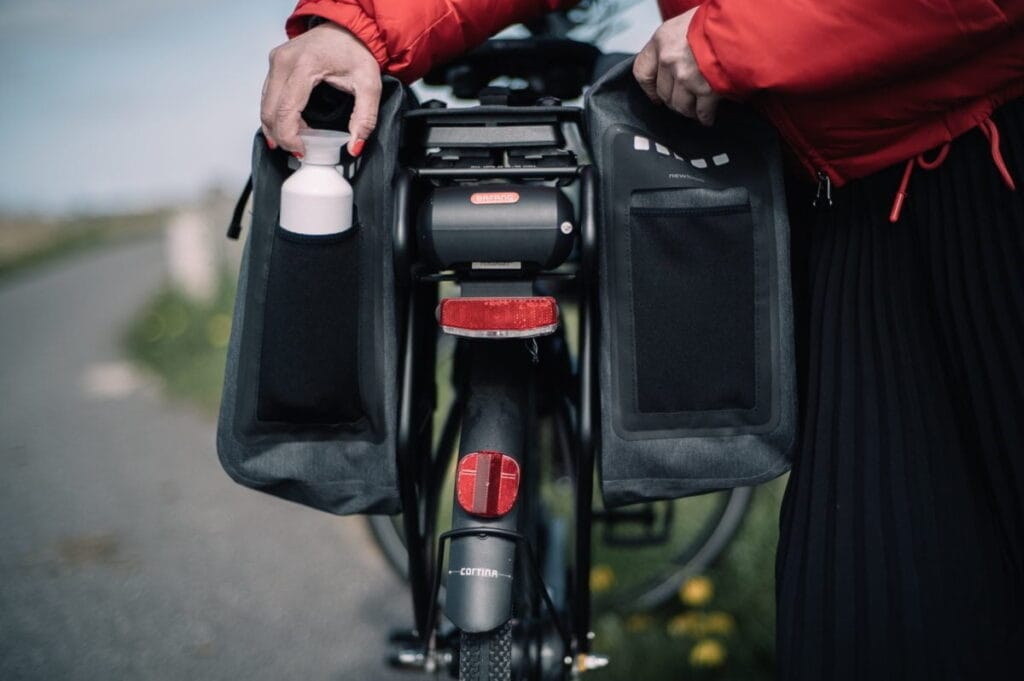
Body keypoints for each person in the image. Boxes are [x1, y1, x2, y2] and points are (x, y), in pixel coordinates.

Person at [260, 1, 1024, 678]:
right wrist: (362, 24)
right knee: (874, 616)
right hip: (856, 204)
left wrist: (741, 38)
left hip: (990, 169)